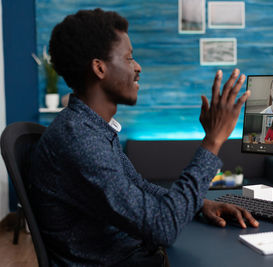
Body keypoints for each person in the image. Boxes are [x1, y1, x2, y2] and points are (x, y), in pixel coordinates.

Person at [28, 9, 258, 266]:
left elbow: (137, 187)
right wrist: (213, 141)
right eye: (128, 58)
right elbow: (163, 226)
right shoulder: (80, 140)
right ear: (99, 68)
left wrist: (198, 204)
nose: (138, 67)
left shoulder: (91, 128)